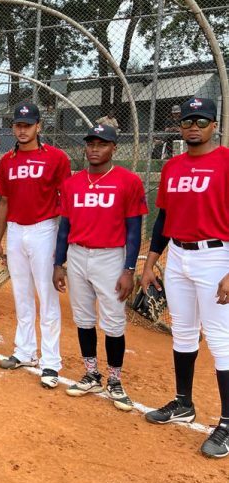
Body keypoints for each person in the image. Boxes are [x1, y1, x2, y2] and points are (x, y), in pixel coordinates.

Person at [140, 97, 229, 458]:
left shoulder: (225, 162)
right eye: (187, 119)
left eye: (201, 119)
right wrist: (151, 261)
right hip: (177, 255)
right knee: (184, 332)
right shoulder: (173, 166)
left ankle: (227, 423)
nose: (193, 125)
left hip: (216, 255)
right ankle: (183, 403)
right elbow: (163, 218)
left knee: (221, 340)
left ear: (213, 125)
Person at [52, 124, 147, 411]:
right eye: (91, 143)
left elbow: (134, 230)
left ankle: (115, 380)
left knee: (114, 321)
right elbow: (63, 227)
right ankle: (92, 373)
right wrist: (59, 263)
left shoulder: (128, 181)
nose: (94, 148)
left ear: (114, 148)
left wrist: (129, 269)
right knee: (82, 318)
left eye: (102, 143)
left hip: (110, 258)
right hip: (77, 254)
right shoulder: (72, 183)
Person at [0, 102, 71, 388]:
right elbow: (4, 201)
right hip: (15, 230)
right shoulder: (6, 160)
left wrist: (63, 246)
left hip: (44, 230)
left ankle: (51, 362)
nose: (22, 130)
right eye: (18, 125)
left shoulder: (56, 158)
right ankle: (24, 351)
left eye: (28, 125)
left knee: (47, 296)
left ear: (39, 126)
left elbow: (67, 201)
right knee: (21, 294)